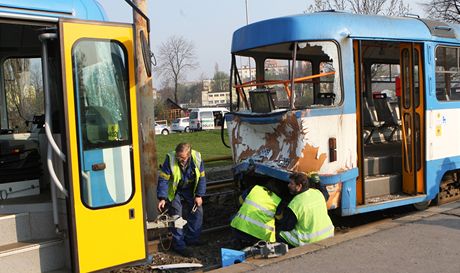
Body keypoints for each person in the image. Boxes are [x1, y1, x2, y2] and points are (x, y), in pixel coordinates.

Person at [157, 142, 206, 257]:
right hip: (175, 191)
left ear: (188, 155)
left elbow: (202, 178)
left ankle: (192, 239)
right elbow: (163, 180)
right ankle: (179, 245)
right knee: (176, 215)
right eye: (178, 157)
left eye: (183, 158)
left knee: (198, 212)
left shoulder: (197, 158)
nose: (180, 160)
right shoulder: (170, 159)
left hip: (190, 189)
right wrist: (162, 198)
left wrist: (199, 195)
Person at [276, 172, 334, 248]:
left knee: (279, 233)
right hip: (328, 233)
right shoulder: (317, 193)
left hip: (310, 240)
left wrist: (278, 221)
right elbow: (326, 194)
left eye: (291, 183)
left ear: (299, 186)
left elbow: (287, 226)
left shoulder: (295, 204)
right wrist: (318, 182)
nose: (288, 185)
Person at [230, 183, 282, 248]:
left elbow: (240, 200)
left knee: (233, 217)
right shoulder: (277, 200)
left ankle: (238, 243)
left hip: (238, 230)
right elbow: (279, 218)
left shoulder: (254, 188)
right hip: (260, 237)